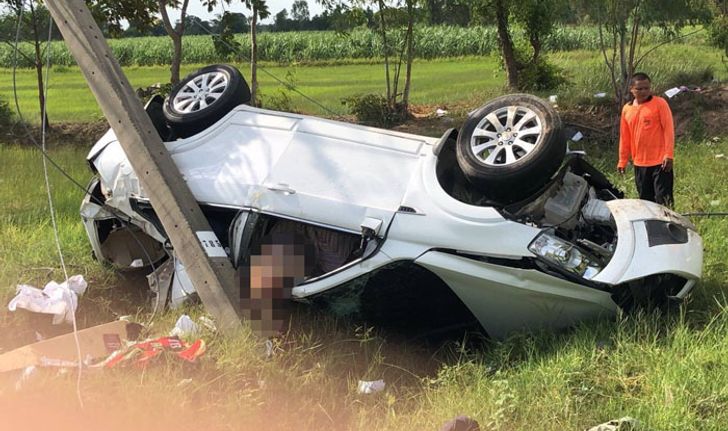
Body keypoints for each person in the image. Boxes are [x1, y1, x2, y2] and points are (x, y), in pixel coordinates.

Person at [618, 72, 675, 207]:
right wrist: (622, 160)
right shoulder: (627, 109)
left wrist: (669, 154)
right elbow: (625, 137)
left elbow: (669, 130)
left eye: (647, 88)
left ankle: (669, 227)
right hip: (640, 163)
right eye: (639, 89)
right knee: (646, 203)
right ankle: (652, 228)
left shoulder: (660, 103)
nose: (644, 91)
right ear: (631, 89)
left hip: (660, 163)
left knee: (664, 201)